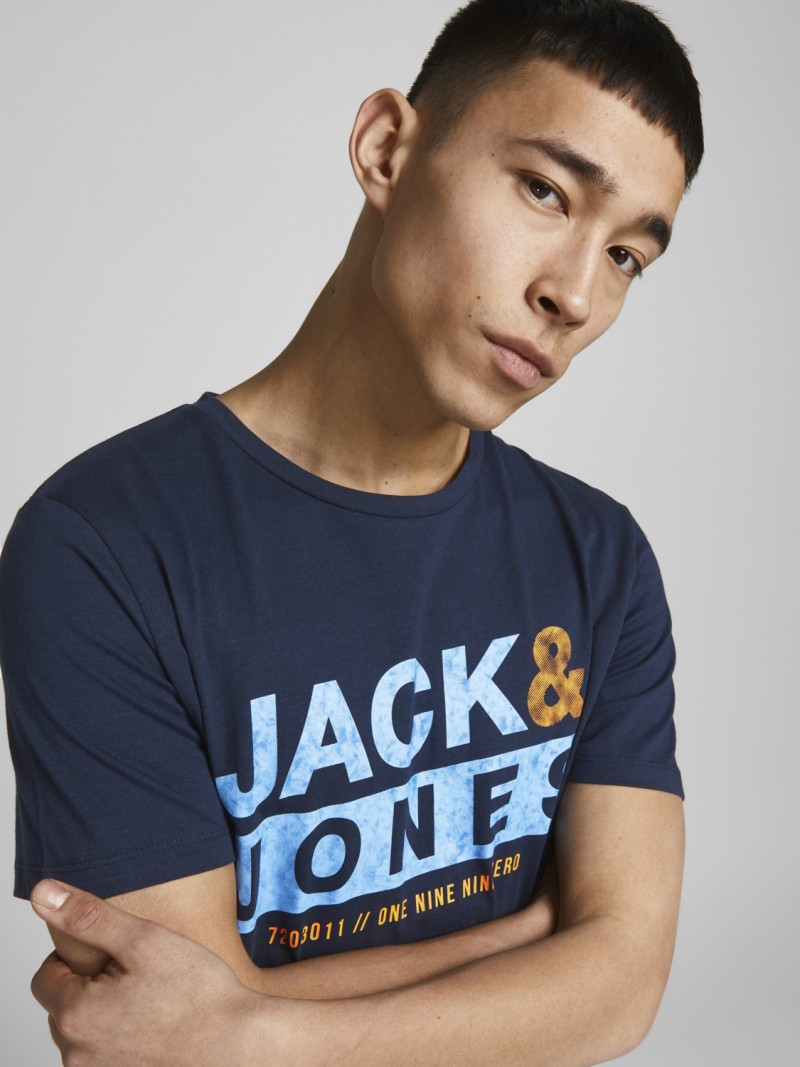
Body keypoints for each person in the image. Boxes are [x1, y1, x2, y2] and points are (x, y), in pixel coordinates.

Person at [1, 0, 704, 1063]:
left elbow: (623, 989)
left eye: (625, 256)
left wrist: (258, 1027)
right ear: (385, 149)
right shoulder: (100, 546)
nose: (572, 293)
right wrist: (540, 936)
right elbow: (163, 1025)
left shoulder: (599, 557)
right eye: (543, 190)